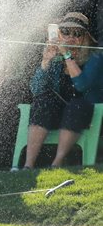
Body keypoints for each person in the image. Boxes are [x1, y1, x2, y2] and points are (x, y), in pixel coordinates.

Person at [24, 12, 103, 169]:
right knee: (43, 101)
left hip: (86, 113)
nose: (71, 37)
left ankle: (56, 163)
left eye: (77, 33)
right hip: (57, 113)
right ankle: (27, 165)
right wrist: (46, 61)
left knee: (77, 105)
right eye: (65, 32)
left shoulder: (94, 58)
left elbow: (81, 84)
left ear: (85, 38)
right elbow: (36, 89)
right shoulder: (56, 60)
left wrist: (67, 54)